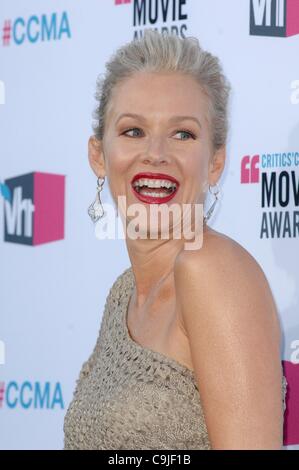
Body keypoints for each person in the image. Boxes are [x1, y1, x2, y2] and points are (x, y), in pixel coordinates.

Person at [63, 29, 287, 450]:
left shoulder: (211, 270)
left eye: (183, 134)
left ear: (216, 162)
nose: (156, 154)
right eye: (133, 131)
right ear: (98, 155)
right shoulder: (122, 293)